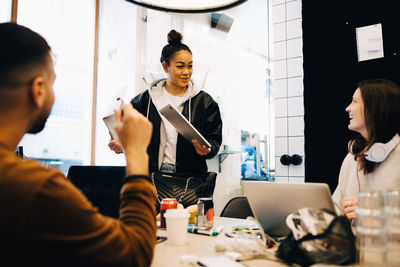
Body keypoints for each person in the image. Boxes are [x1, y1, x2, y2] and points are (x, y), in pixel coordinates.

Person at [0, 22, 156, 267]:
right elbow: (133, 255)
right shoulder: (33, 188)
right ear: (38, 89)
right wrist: (136, 151)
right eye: (52, 82)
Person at [109, 29, 223, 174]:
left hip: (190, 178)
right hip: (151, 175)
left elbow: (214, 140)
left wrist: (208, 149)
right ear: (165, 67)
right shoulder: (144, 101)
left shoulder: (205, 102)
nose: (187, 72)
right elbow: (130, 135)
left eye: (190, 65)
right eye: (180, 66)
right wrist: (120, 143)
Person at [332, 79, 400, 220]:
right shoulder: (353, 157)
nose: (348, 108)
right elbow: (335, 207)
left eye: (355, 101)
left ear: (374, 107)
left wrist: (374, 215)